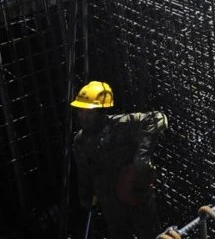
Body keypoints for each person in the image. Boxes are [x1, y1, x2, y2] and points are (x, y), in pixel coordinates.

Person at [71, 81, 169, 239]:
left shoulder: (121, 124)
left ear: (101, 111)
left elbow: (158, 118)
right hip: (110, 205)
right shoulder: (80, 141)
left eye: (89, 113)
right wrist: (85, 197)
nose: (84, 117)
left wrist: (141, 157)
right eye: (81, 112)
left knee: (150, 234)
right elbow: (84, 172)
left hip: (135, 195)